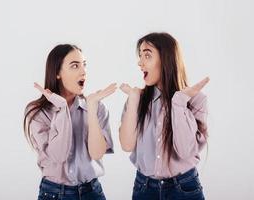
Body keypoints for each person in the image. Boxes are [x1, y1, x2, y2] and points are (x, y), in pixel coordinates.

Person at [119, 32, 209, 200]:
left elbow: (184, 151)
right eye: (140, 56)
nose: (140, 63)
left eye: (147, 55)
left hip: (184, 188)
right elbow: (126, 145)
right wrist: (132, 100)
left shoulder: (196, 100)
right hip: (144, 189)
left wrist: (178, 103)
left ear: (166, 59)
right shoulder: (136, 99)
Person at [24, 44, 115, 200]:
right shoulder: (38, 113)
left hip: (92, 192)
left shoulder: (96, 107)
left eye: (84, 65)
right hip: (54, 193)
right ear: (57, 73)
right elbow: (58, 156)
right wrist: (62, 109)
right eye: (75, 66)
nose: (83, 71)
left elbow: (97, 153)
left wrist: (91, 109)